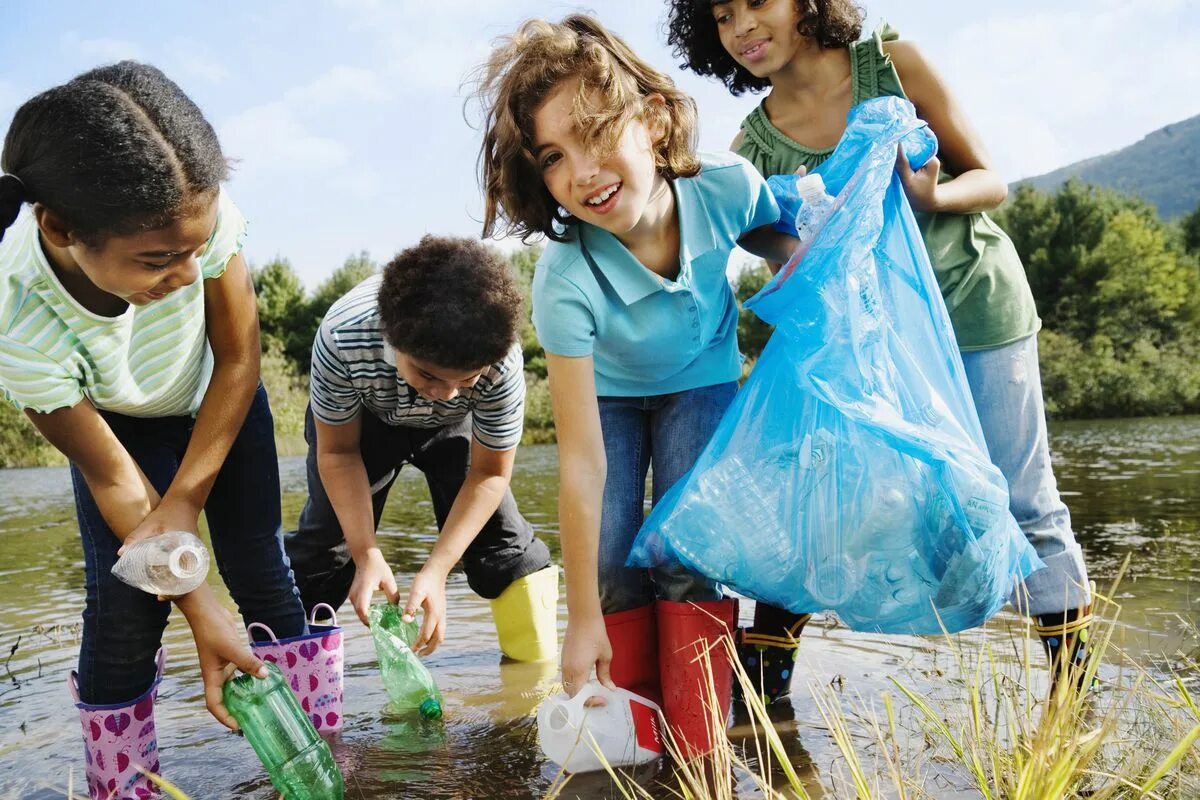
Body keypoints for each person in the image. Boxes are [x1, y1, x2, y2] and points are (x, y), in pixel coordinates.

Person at [665, 0, 1094, 700]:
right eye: (721, 15)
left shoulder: (891, 66)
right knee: (818, 501)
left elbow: (992, 179)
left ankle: (1074, 696)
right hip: (865, 337)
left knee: (1023, 500)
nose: (741, 27)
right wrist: (796, 244)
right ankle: (764, 701)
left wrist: (931, 196)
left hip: (974, 306)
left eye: (757, 3)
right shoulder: (757, 145)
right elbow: (745, 227)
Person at [475, 14, 796, 758]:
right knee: (614, 564)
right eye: (555, 157)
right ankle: (638, 743)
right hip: (610, 402)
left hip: (702, 380)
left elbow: (774, 236)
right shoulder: (565, 279)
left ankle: (701, 746)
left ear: (652, 120)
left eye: (594, 132)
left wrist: (807, 267)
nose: (581, 172)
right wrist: (578, 617)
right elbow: (582, 466)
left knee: (689, 552)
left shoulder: (725, 186)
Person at [0, 62, 305, 799]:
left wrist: (187, 503)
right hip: (117, 436)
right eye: (159, 260)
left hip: (220, 400)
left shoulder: (200, 219)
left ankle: (313, 751)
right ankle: (123, 785)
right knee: (126, 612)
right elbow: (111, 476)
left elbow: (238, 359)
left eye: (197, 249)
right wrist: (199, 605)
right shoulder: (17, 317)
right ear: (61, 228)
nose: (186, 273)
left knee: (262, 569)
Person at [283, 235, 558, 663]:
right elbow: (337, 453)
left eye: (465, 380)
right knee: (324, 547)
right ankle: (290, 674)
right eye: (427, 375)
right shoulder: (344, 336)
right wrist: (366, 553)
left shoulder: (500, 358)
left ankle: (532, 680)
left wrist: (437, 570)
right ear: (394, 341)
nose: (443, 395)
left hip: (458, 430)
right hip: (364, 423)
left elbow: (489, 474)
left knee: (503, 541)